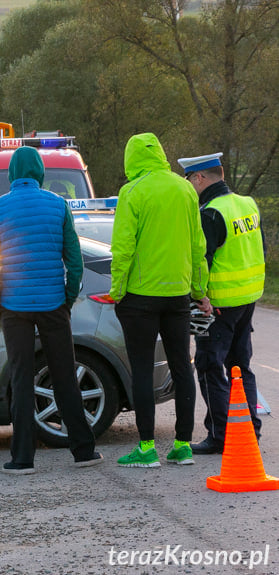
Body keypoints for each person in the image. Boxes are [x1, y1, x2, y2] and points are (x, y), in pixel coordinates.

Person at [0, 145, 103, 475]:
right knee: (64, 376)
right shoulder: (59, 205)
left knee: (21, 379)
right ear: (39, 172)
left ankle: (22, 459)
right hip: (53, 304)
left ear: (11, 173)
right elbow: (74, 262)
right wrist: (67, 298)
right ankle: (83, 450)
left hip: (14, 308)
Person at [110, 133, 211, 468]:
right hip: (178, 295)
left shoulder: (132, 192)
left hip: (140, 296)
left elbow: (123, 247)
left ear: (131, 159)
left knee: (141, 369)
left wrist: (118, 290)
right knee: (183, 366)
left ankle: (146, 447)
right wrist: (198, 289)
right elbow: (198, 246)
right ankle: (183, 445)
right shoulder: (185, 189)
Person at [177, 152, 265, 454]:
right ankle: (250, 428)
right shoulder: (247, 204)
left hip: (216, 305)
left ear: (200, 178)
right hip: (247, 300)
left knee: (208, 365)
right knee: (241, 367)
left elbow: (203, 260)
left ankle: (220, 435)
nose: (189, 184)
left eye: (189, 179)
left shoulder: (211, 213)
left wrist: (199, 295)